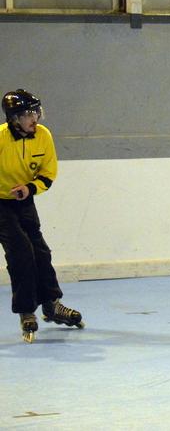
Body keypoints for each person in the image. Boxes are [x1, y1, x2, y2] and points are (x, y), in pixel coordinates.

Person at [1, 89, 83, 343]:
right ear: (14, 118)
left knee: (41, 251)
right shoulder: (1, 138)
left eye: (36, 112)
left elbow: (47, 174)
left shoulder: (43, 135)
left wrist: (30, 188)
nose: (34, 118)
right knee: (21, 252)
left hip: (23, 199)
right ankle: (26, 311)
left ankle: (51, 304)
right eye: (28, 114)